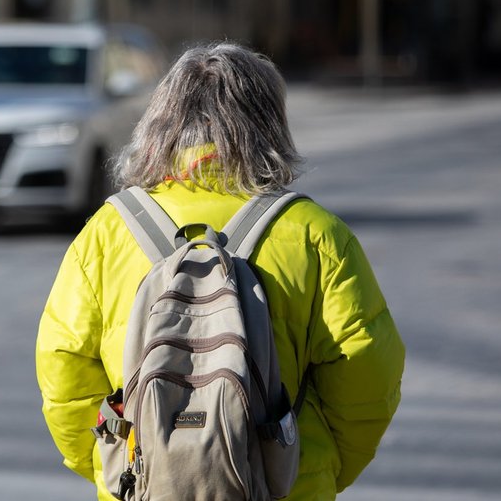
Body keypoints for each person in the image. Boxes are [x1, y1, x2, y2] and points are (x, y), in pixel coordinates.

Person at [36, 42, 405, 500]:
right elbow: (368, 376)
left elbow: (63, 372)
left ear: (158, 124)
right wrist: (313, 466)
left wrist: (113, 468)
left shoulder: (106, 234)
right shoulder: (316, 234)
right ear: (269, 125)